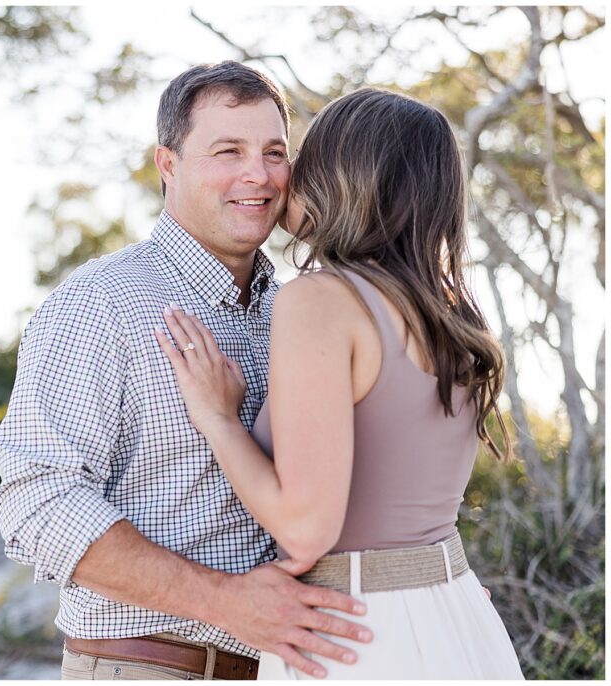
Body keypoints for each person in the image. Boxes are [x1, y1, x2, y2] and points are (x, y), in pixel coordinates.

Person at [0, 61, 372, 681]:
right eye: (229, 150)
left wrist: (429, 586)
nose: (259, 174)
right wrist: (226, 604)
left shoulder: (303, 311)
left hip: (295, 668)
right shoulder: (100, 302)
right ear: (168, 165)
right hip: (153, 668)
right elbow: (38, 502)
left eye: (275, 152)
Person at [156, 87, 524, 679]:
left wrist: (220, 420)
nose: (286, 174)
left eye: (303, 155)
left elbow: (305, 533)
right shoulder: (454, 313)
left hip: (352, 635)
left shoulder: (322, 302)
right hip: (457, 615)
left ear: (346, 176)